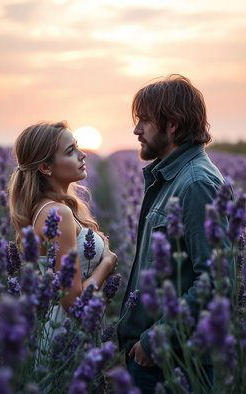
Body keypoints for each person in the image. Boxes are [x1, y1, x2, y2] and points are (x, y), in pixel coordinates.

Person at [117, 74, 231, 393]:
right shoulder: (173, 177)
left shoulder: (196, 184)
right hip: (156, 358)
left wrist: (156, 339)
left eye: (144, 121)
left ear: (172, 125)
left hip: (172, 362)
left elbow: (217, 279)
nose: (137, 130)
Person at [8, 121, 117, 322]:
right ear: (45, 167)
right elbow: (73, 303)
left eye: (77, 146)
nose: (82, 154)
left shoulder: (52, 207)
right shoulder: (57, 214)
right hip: (65, 336)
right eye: (70, 151)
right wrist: (107, 263)